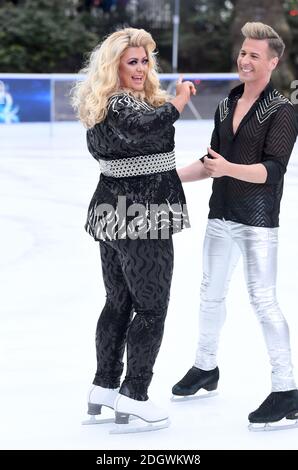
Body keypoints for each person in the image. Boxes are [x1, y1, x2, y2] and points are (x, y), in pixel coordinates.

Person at [172, 22, 298, 429]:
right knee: (210, 294)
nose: (245, 59)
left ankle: (286, 390)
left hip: (258, 221)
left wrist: (227, 168)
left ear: (273, 62)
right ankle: (205, 368)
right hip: (221, 214)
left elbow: (274, 171)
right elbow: (211, 163)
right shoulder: (226, 104)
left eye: (254, 55)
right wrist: (167, 177)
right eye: (243, 52)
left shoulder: (283, 110)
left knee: (264, 301)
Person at [72, 27, 195, 433]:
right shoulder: (123, 103)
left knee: (118, 301)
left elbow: (138, 147)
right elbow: (145, 127)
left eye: (145, 61)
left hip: (113, 211)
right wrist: (178, 101)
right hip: (141, 215)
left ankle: (105, 386)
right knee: (152, 308)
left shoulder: (105, 104)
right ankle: (135, 394)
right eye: (132, 62)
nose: (141, 68)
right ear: (115, 66)